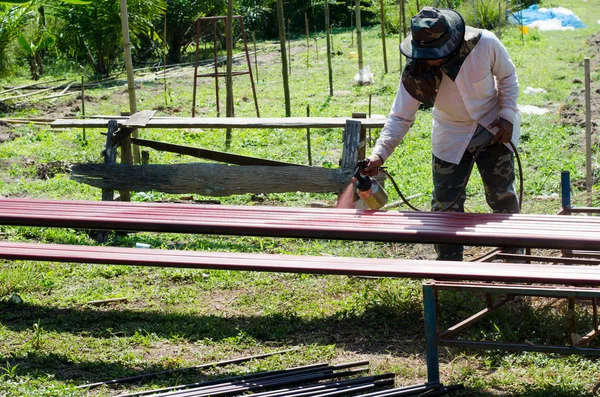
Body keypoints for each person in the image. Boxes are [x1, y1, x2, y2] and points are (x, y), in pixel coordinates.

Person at [363, 7, 521, 261]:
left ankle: (515, 256)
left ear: (452, 41)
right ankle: (449, 263)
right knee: (445, 204)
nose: (431, 59)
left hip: (494, 130)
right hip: (451, 135)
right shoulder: (417, 70)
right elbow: (401, 116)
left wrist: (507, 116)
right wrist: (379, 154)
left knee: (502, 195)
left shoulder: (485, 44)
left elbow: (508, 77)